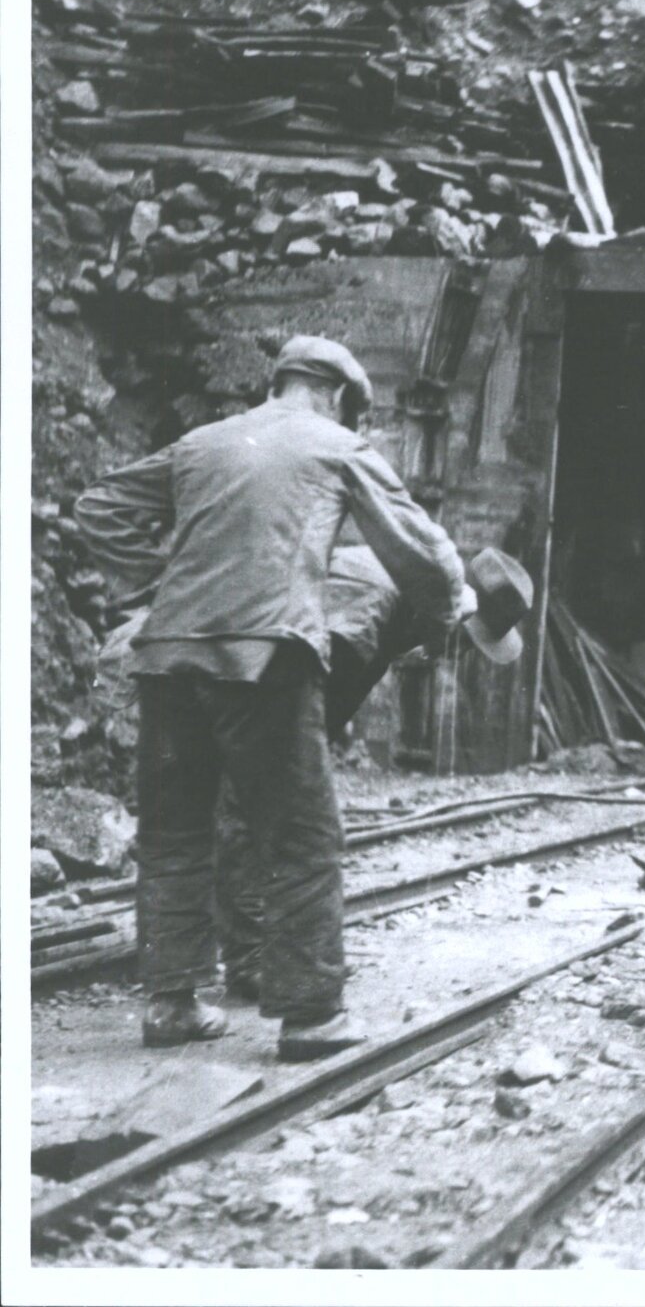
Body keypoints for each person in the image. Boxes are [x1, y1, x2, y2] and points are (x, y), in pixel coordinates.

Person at [73, 336, 465, 1060]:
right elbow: (425, 553)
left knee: (175, 832)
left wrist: (159, 588)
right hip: (266, 660)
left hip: (166, 659)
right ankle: (310, 1013)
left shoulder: (201, 442)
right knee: (299, 833)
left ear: (282, 381)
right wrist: (440, 625)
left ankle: (172, 1003)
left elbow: (98, 508)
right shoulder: (336, 447)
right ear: (341, 396)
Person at [212, 543, 535, 1003]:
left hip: (263, 663)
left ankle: (269, 948)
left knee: (283, 815)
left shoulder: (407, 596)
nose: (457, 656)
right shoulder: (373, 604)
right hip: (244, 662)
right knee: (260, 812)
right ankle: (247, 962)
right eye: (464, 642)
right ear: (453, 615)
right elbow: (308, 678)